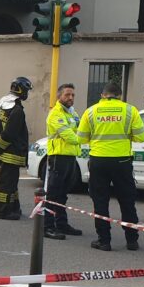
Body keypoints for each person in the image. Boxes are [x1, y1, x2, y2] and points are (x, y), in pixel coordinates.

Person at [77, 82, 144, 251]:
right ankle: (132, 241)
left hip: (99, 160)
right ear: (120, 96)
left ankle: (104, 240)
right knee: (127, 200)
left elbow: (81, 139)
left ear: (103, 95)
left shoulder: (91, 111)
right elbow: (141, 137)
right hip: (122, 162)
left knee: (100, 201)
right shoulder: (130, 110)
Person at [44, 83, 83, 240]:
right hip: (58, 157)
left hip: (70, 157)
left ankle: (61, 224)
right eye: (67, 94)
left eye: (73, 95)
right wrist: (82, 137)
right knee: (53, 194)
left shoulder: (72, 113)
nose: (71, 97)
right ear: (59, 96)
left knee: (62, 195)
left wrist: (82, 135)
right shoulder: (56, 114)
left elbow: (82, 128)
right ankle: (47, 227)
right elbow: (71, 136)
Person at [0, 77, 31, 220]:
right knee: (7, 185)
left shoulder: (4, 106)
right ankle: (4, 212)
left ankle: (14, 208)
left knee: (11, 184)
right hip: (12, 154)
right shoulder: (17, 110)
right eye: (27, 90)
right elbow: (9, 134)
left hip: (6, 153)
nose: (27, 93)